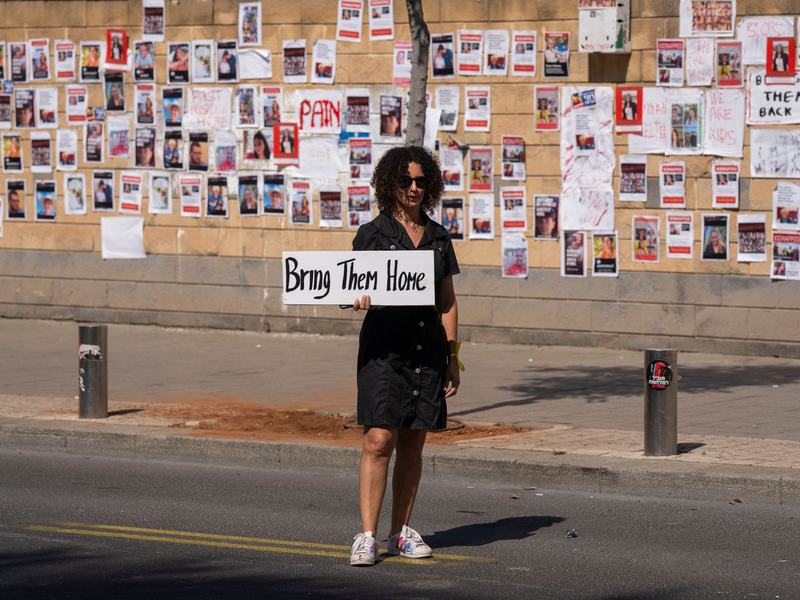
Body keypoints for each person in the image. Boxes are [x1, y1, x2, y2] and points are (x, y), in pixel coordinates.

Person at [349, 146, 460, 567]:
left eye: (420, 181)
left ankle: (400, 534)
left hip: (427, 351)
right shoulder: (372, 234)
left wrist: (453, 357)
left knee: (413, 443)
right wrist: (357, 299)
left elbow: (448, 303)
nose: (414, 188)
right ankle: (367, 536)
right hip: (383, 351)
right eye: (406, 181)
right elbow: (349, 285)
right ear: (390, 184)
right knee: (379, 440)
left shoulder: (438, 237)